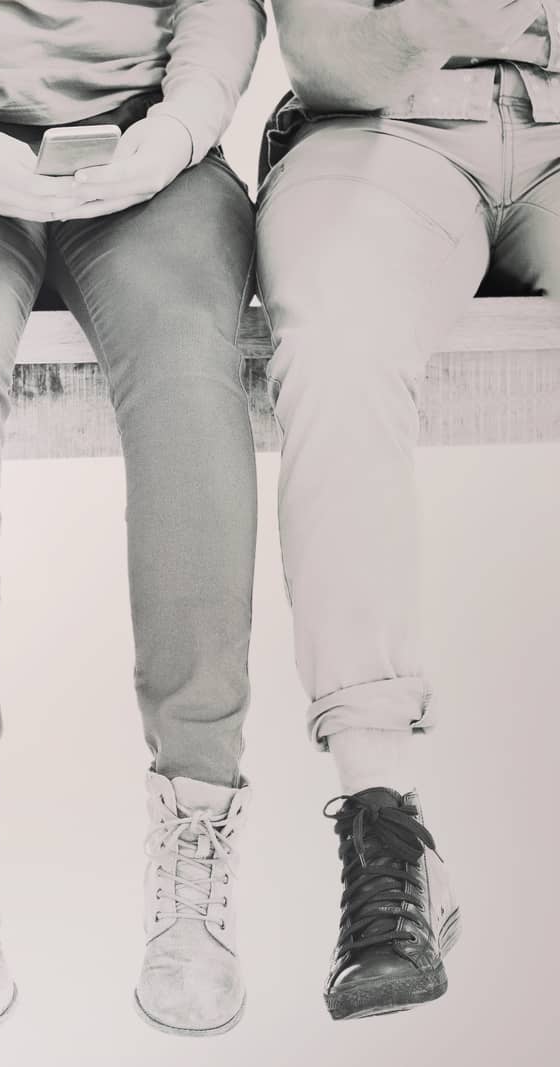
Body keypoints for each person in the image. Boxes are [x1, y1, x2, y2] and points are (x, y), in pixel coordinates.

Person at [0, 0, 266, 1037]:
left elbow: (217, 10)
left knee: (191, 375)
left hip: (148, 153)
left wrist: (174, 134)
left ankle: (197, 817)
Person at [256, 0, 557, 1021]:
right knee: (335, 352)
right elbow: (324, 53)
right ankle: (382, 820)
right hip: (383, 133)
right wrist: (447, 17)